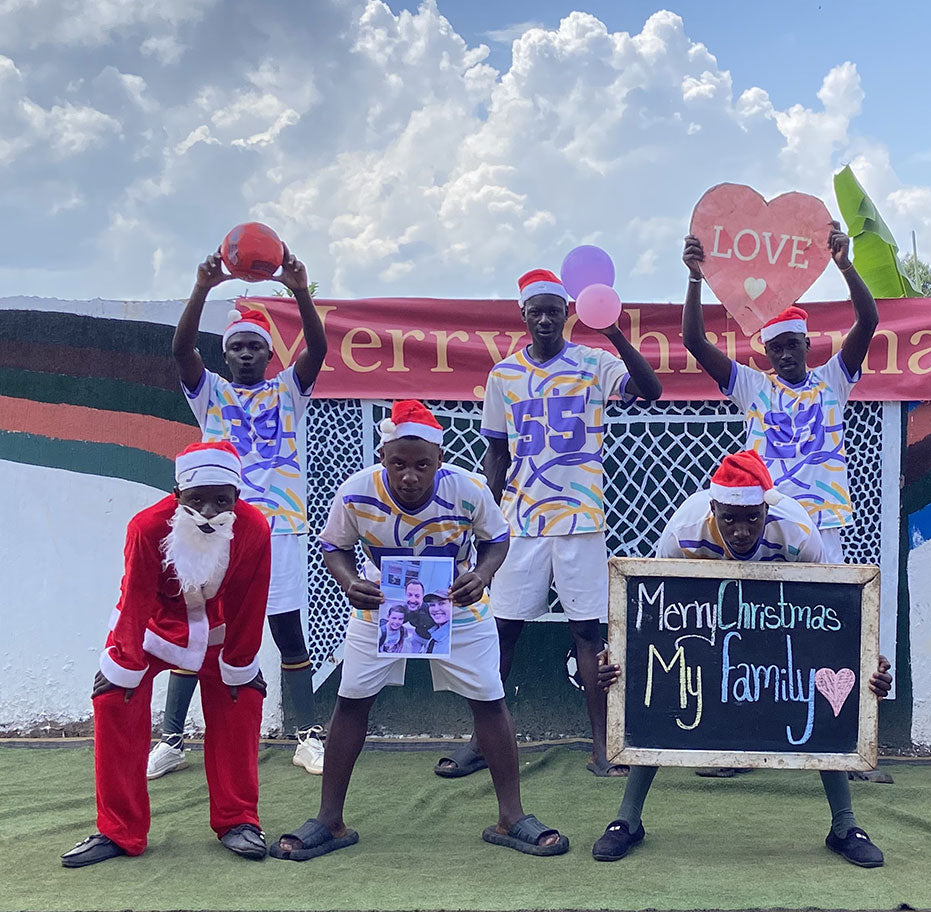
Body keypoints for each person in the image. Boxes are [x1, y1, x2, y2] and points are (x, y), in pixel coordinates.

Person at [269, 401, 569, 860]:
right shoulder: (355, 493)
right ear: (383, 456)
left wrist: (483, 575)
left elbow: (497, 538)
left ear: (439, 462)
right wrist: (350, 582)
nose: (410, 475)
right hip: (382, 608)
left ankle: (512, 816)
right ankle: (330, 819)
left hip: (457, 603)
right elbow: (334, 546)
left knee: (489, 699)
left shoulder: (468, 489)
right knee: (351, 702)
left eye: (422, 465)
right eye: (399, 464)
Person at [590, 451, 893, 867]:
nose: (741, 530)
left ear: (767, 507)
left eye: (752, 517)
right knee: (661, 697)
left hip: (781, 622)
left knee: (822, 697)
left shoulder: (800, 533)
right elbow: (654, 611)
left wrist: (867, 661)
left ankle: (844, 826)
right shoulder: (683, 531)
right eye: (729, 518)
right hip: (704, 626)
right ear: (713, 507)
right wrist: (618, 654)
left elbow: (834, 616)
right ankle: (627, 819)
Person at [436, 268, 662, 780]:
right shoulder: (504, 376)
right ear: (522, 315)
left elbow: (650, 390)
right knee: (502, 633)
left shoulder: (594, 361)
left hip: (581, 520)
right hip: (520, 522)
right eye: (535, 311)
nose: (544, 318)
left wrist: (614, 331)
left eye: (553, 310)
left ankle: (603, 745)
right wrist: (483, 518)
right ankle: (481, 742)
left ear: (567, 314)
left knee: (588, 633)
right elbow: (495, 450)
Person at [681, 223, 882, 780]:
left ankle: (849, 746)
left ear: (809, 345)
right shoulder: (752, 387)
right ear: (766, 352)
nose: (787, 354)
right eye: (777, 347)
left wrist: (844, 265)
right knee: (754, 631)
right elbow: (696, 344)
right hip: (762, 527)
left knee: (834, 629)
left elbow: (868, 321)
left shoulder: (834, 379)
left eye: (795, 345)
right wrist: (695, 280)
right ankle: (742, 745)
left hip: (826, 524)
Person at [152, 246, 329, 779]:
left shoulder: (288, 391)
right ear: (226, 356)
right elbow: (181, 349)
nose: (248, 355)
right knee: (198, 627)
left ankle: (307, 736)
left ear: (270, 356)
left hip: (280, 528)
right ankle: (173, 738)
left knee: (287, 629)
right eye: (238, 349)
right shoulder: (210, 395)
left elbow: (317, 350)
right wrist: (203, 286)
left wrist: (299, 288)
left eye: (257, 347)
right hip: (214, 531)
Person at [61, 442, 271, 868]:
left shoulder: (255, 529)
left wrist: (243, 664)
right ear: (177, 494)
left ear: (237, 496)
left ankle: (238, 819)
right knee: (113, 700)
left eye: (221, 500)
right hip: (154, 627)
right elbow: (135, 596)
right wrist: (123, 666)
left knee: (242, 698)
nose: (209, 511)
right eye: (197, 499)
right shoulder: (147, 527)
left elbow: (253, 599)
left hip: (219, 630)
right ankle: (119, 830)